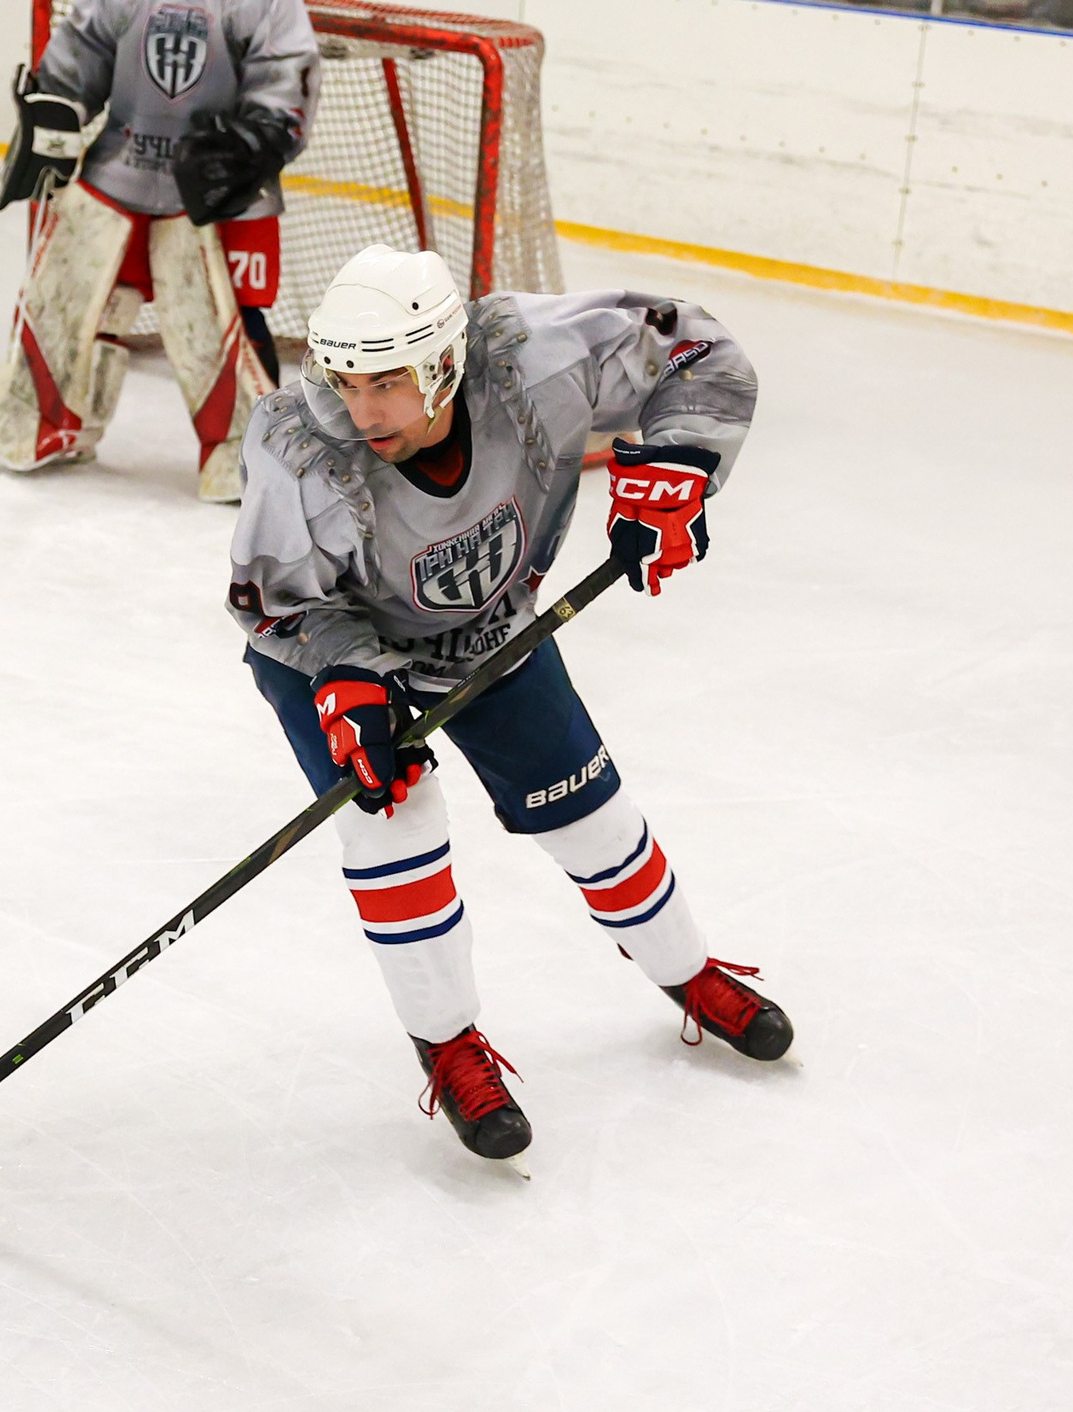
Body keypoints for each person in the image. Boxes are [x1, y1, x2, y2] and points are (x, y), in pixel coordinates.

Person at [228, 244, 793, 1161]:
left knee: (590, 814)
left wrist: (682, 460)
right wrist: (345, 677)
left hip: (490, 631)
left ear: (445, 361)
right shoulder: (302, 442)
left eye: (386, 383)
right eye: (346, 381)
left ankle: (689, 974)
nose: (361, 411)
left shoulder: (536, 355)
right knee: (395, 823)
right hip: (335, 652)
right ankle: (448, 1044)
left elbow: (696, 349)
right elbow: (276, 600)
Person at [0, 0, 318, 502]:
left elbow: (285, 69)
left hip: (221, 191)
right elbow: (83, 48)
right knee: (71, 302)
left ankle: (246, 456)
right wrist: (53, 110)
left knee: (228, 322)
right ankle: (45, 425)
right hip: (116, 177)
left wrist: (259, 138)